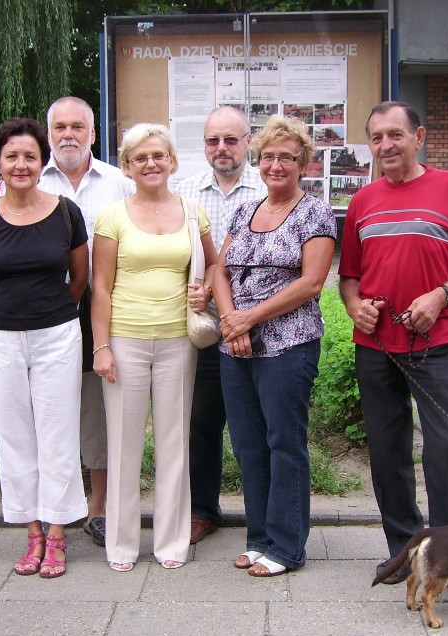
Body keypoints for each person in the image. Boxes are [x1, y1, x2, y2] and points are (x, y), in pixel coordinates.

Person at [338, 101, 448, 601]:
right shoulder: (363, 200)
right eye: (377, 137)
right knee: (387, 452)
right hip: (376, 344)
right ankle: (407, 549)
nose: (386, 145)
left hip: (435, 343)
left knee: (446, 450)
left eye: (395, 135)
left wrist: (441, 294)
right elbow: (349, 277)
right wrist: (355, 306)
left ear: (418, 136)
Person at [0, 117, 89, 578]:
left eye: (30, 156)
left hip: (57, 335)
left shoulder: (65, 212)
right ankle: (31, 532)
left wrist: (50, 313)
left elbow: (80, 279)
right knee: (14, 436)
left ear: (43, 161)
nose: (21, 164)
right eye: (12, 156)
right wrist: (5, 318)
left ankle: (57, 534)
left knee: (58, 435)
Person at [214, 114, 336, 577]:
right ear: (258, 162)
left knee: (284, 442)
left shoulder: (314, 212)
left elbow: (311, 283)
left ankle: (287, 546)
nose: (276, 164)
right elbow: (219, 272)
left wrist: (248, 317)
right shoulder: (244, 211)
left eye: (287, 156)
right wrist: (231, 321)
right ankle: (260, 537)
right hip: (236, 346)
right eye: (268, 156)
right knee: (247, 445)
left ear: (303, 163)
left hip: (289, 345)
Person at [91, 123, 217, 572]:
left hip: (178, 341)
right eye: (139, 158)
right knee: (123, 446)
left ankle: (170, 542)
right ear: (127, 166)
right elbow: (100, 288)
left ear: (172, 161)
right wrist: (100, 346)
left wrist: (205, 294)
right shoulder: (113, 217)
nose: (150, 164)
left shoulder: (193, 211)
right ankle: (122, 545)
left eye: (158, 156)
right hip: (124, 340)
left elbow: (214, 264)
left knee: (173, 442)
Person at [37, 96, 135, 547]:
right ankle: (51, 505)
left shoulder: (119, 183)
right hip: (44, 310)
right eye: (59, 127)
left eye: (78, 126)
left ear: (93, 134)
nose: (68, 134)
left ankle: (98, 507)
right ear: (48, 133)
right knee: (49, 409)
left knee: (97, 409)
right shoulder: (29, 180)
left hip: (103, 306)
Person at [175, 106, 267, 544]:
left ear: (248, 141)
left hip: (266, 328)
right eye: (213, 140)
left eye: (231, 139)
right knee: (202, 423)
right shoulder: (183, 191)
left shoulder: (269, 185)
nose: (222, 148)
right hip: (208, 329)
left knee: (263, 427)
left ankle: (265, 516)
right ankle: (202, 510)